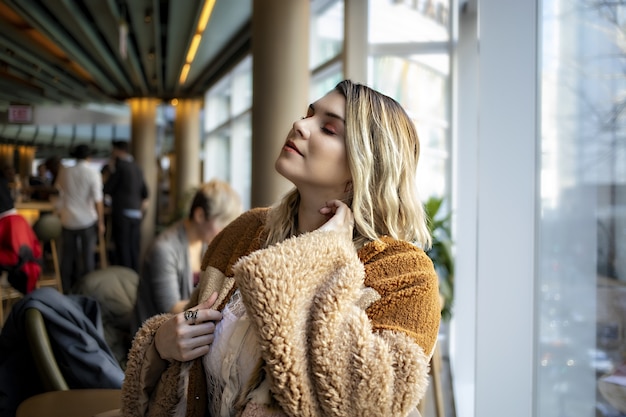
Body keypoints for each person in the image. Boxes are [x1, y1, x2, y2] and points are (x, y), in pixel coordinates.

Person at [121, 80, 441, 417]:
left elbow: (369, 401)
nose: (300, 125)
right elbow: (188, 330)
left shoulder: (405, 275)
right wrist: (161, 344)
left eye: (328, 129)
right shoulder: (245, 232)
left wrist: (322, 253)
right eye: (308, 114)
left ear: (364, 167)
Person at [131, 179, 243, 335]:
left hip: (188, 329)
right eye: (222, 225)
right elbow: (172, 309)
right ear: (200, 215)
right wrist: (218, 308)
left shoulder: (206, 243)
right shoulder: (164, 250)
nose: (225, 233)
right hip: (155, 338)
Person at [54, 144, 105, 293]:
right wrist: (101, 222)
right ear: (89, 157)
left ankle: (65, 289)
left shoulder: (65, 172)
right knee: (87, 256)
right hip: (86, 220)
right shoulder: (93, 173)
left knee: (68, 256)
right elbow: (98, 200)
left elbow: (59, 189)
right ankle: (86, 291)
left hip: (67, 218)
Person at [103, 140, 149, 272]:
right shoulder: (137, 167)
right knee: (134, 247)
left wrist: (109, 172)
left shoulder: (120, 166)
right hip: (136, 214)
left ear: (118, 151)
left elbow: (107, 188)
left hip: (122, 212)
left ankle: (125, 278)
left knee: (123, 248)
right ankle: (135, 278)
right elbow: (145, 193)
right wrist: (140, 211)